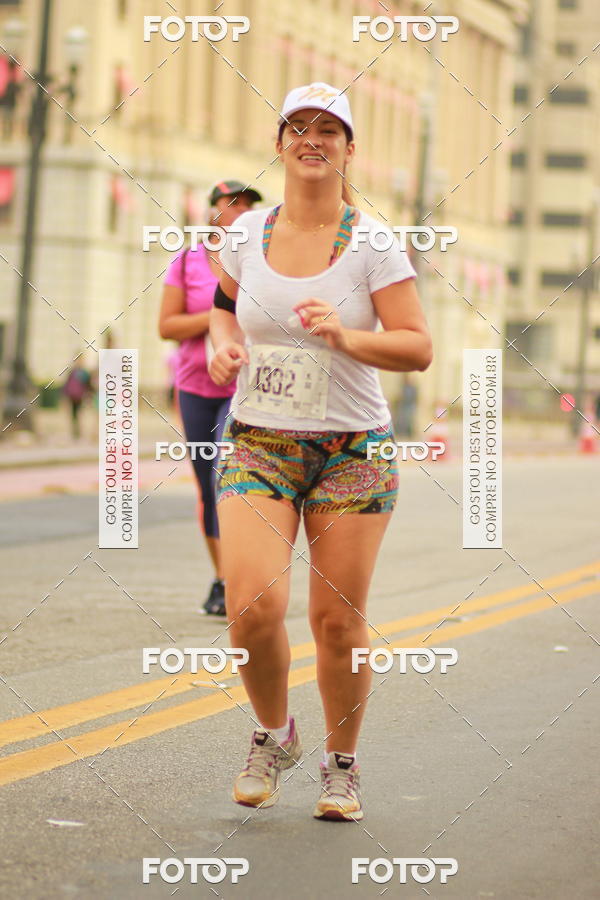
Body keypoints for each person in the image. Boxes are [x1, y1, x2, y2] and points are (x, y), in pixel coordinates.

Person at [209, 82, 432, 821]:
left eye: (329, 130)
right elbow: (222, 307)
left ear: (349, 149)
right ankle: (275, 735)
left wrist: (345, 336)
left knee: (336, 622)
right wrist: (224, 346)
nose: (312, 139)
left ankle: (342, 765)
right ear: (278, 143)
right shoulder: (243, 234)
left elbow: (416, 346)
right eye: (298, 126)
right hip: (260, 443)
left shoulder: (373, 243)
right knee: (250, 605)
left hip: (352, 451)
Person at [159, 180, 263, 615]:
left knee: (228, 472)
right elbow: (168, 327)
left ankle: (244, 577)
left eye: (248, 204)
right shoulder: (187, 262)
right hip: (196, 385)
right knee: (206, 482)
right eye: (230, 203)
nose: (239, 210)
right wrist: (219, 309)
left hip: (243, 385)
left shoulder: (262, 259)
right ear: (211, 211)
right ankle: (223, 579)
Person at [63, 362, 92, 439]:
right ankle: (76, 431)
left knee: (76, 414)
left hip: (77, 396)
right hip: (75, 396)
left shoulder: (75, 372)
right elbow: (88, 385)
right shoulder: (80, 372)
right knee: (76, 414)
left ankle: (77, 430)